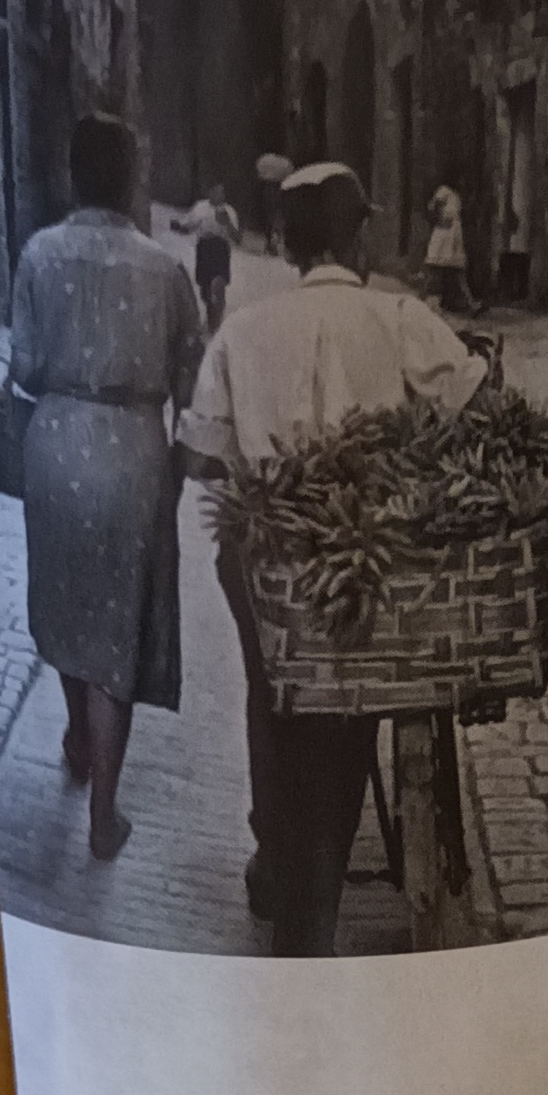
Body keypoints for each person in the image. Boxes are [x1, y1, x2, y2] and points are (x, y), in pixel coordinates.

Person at [181, 160, 485, 956]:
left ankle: (282, 864)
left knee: (272, 694)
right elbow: (471, 401)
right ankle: (306, 898)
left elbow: (201, 456)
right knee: (345, 709)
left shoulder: (242, 331)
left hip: (267, 560)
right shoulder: (401, 318)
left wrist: (268, 448)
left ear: (286, 245)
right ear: (357, 240)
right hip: (365, 560)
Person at [12, 112, 202, 861]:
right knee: (118, 620)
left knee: (66, 599)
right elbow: (189, 383)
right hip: (132, 453)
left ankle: (74, 736)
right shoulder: (166, 271)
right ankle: (103, 814)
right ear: (129, 180)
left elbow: (25, 367)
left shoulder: (39, 254)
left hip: (55, 444)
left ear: (72, 174)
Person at [178, 183, 240, 331]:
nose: (219, 195)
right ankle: (211, 316)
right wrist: (178, 227)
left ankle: (216, 322)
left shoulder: (229, 211)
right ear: (209, 192)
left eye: (222, 192)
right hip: (204, 248)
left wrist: (227, 223)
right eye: (216, 191)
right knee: (205, 289)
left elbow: (237, 238)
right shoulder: (200, 207)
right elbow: (188, 226)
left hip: (220, 248)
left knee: (218, 285)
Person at [424, 182, 477, 314]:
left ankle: (468, 303)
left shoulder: (456, 196)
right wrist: (440, 220)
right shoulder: (444, 190)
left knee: (456, 268)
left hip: (453, 233)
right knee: (437, 265)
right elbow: (433, 207)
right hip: (444, 233)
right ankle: (433, 302)